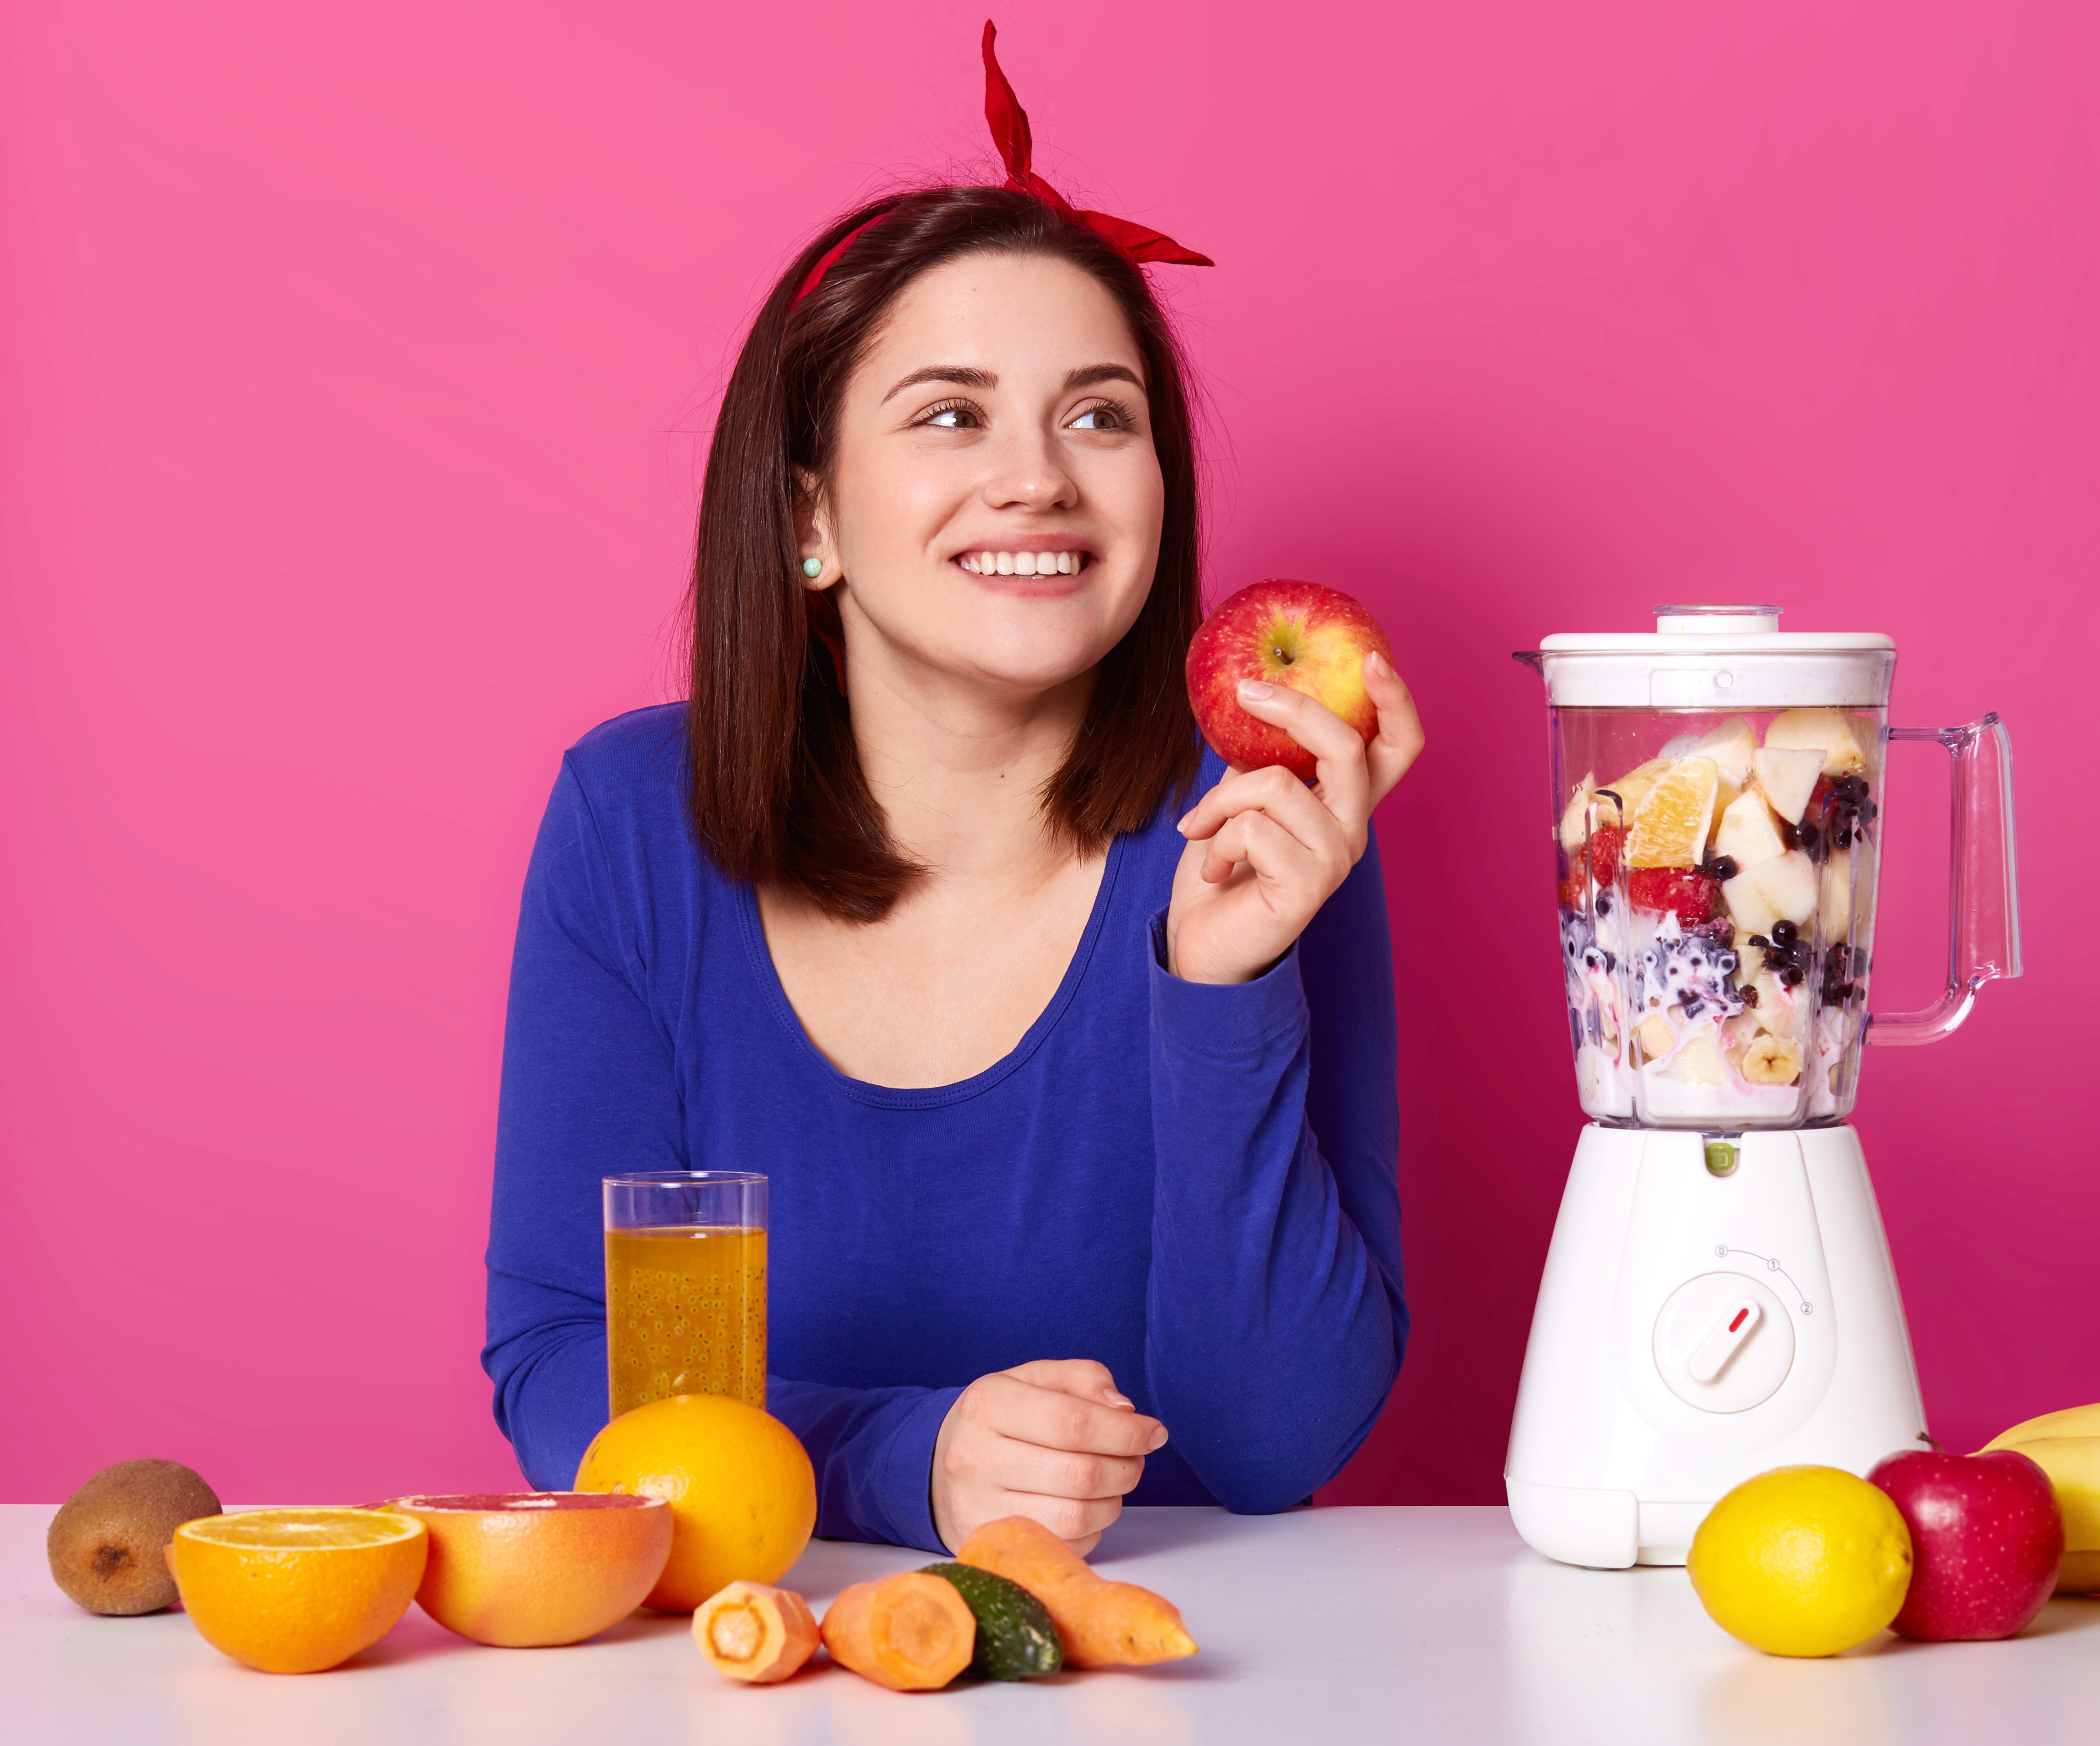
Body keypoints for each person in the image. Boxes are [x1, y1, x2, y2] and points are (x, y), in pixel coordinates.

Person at [483, 27, 1422, 1556]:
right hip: (756, 1663)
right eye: (947, 414)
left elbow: (1270, 1443)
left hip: (1202, 1672)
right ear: (812, 519)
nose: (1040, 476)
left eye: (1100, 414)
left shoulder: (1270, 824)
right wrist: (904, 1463)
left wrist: (1219, 989)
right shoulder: (630, 821)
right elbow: (562, 1367)